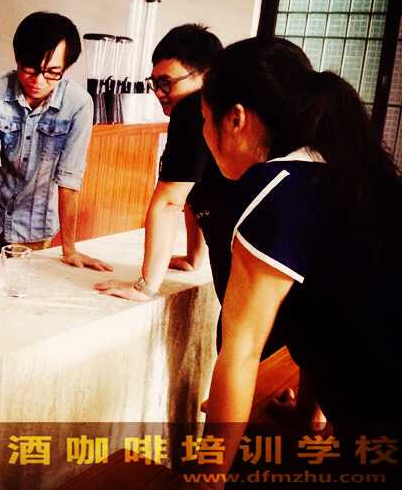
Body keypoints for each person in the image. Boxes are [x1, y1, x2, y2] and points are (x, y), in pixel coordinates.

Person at [199, 36, 402, 475]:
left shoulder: (275, 190)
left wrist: (205, 478)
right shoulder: (347, 171)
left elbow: (241, 351)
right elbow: (329, 304)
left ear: (235, 118)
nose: (203, 134)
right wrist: (309, 413)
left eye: (203, 119)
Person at [94, 25, 232, 303]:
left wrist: (144, 287)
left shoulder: (191, 109)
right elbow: (192, 190)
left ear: (205, 76)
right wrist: (193, 257)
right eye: (154, 83)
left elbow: (169, 202)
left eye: (167, 83)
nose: (158, 92)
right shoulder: (213, 110)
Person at [0, 11, 111, 271]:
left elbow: (69, 178)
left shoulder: (78, 104)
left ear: (65, 68)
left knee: (21, 289)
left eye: (52, 72)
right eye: (30, 69)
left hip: (35, 227)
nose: (38, 81)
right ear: (18, 59)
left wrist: (70, 249)